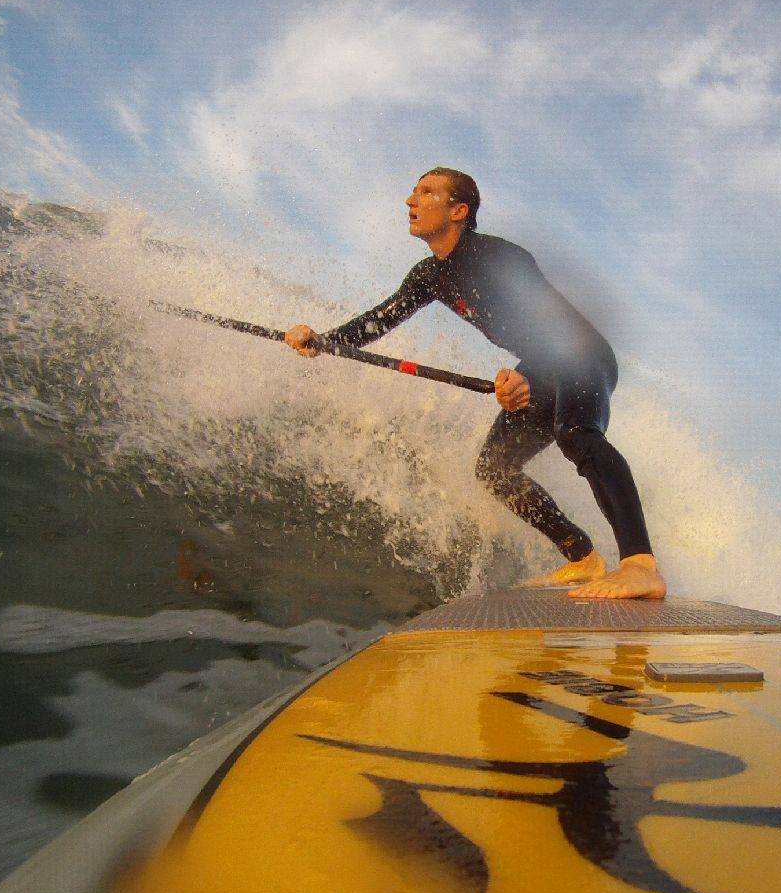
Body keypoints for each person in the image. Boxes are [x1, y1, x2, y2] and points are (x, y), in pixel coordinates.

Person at [285, 167, 666, 600]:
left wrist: (523, 376)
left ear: (459, 210)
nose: (411, 201)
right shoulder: (429, 276)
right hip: (539, 366)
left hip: (579, 352)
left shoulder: (500, 258)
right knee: (495, 470)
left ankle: (640, 565)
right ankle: (581, 557)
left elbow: (551, 323)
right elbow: (380, 318)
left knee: (575, 433)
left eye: (426, 193)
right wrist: (324, 341)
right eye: (413, 191)